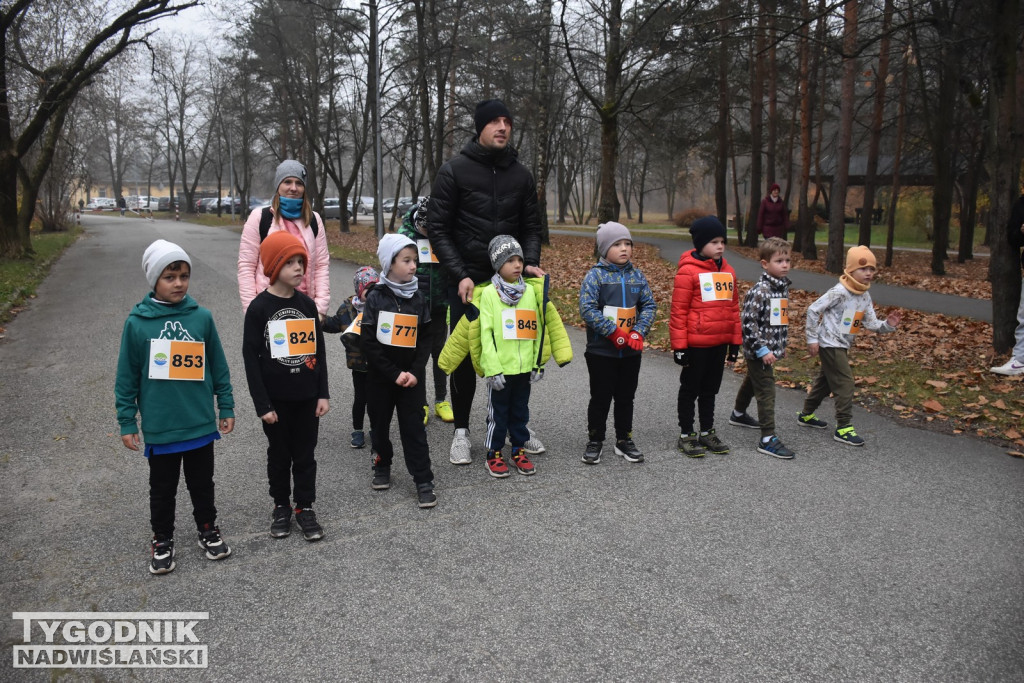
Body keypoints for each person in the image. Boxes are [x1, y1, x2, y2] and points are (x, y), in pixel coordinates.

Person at [427, 98, 546, 465]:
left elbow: (531, 227)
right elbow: (438, 228)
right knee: (464, 357)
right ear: (479, 127)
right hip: (468, 282)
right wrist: (459, 273)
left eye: (507, 121)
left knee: (514, 354)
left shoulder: (521, 176)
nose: (503, 127)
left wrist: (530, 263)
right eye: (494, 121)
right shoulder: (454, 171)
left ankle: (514, 429)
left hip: (511, 283)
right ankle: (461, 432)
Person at [115, 240, 235, 575]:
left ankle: (207, 528)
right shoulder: (137, 324)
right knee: (162, 489)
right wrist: (127, 421)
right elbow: (126, 378)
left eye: (184, 275)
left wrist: (225, 406)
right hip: (161, 427)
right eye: (170, 276)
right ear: (154, 280)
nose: (179, 283)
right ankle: (162, 538)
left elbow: (218, 366)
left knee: (202, 483)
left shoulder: (202, 318)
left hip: (198, 423)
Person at [242, 232, 330, 540]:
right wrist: (262, 404)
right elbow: (250, 358)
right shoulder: (259, 309)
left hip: (306, 398)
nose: (298, 268)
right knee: (279, 456)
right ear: (274, 265)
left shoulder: (307, 305)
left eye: (301, 262)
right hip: (276, 402)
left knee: (305, 455)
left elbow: (318, 352)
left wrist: (323, 393)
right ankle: (281, 505)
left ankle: (304, 507)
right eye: (290, 262)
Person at [360, 233, 437, 508]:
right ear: (389, 263)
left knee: (414, 428)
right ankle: (382, 465)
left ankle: (423, 479)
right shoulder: (376, 298)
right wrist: (392, 373)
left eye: (415, 260)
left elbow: (426, 337)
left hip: (412, 379)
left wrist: (415, 371)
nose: (414, 265)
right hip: (381, 378)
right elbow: (368, 340)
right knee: (379, 426)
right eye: (406, 260)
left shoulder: (418, 298)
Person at [800, 245, 901, 446]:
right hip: (829, 343)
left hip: (843, 345)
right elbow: (813, 310)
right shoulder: (839, 291)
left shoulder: (864, 296)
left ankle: (806, 415)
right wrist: (812, 339)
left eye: (872, 269)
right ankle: (843, 427)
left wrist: (888, 325)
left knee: (826, 382)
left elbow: (870, 323)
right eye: (863, 268)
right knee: (845, 382)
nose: (869, 273)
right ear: (850, 270)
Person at [578, 222, 657, 465]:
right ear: (604, 249)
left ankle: (624, 439)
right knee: (600, 397)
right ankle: (595, 440)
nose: (624, 249)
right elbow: (587, 309)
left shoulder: (637, 275)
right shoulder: (596, 276)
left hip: (631, 353)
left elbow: (649, 306)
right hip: (602, 351)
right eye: (617, 244)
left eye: (627, 244)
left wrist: (637, 332)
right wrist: (613, 332)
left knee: (626, 398)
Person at [669, 216, 742, 457]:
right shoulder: (688, 271)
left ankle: (707, 430)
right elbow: (678, 311)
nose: (720, 246)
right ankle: (687, 434)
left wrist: (735, 342)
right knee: (690, 388)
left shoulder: (729, 272)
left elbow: (733, 310)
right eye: (714, 241)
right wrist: (679, 347)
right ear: (700, 244)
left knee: (710, 389)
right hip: (696, 344)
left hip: (719, 343)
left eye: (722, 241)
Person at [728, 237, 796, 459]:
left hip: (770, 349)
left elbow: (778, 320)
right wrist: (762, 349)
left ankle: (738, 413)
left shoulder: (781, 289)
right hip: (758, 350)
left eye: (787, 260)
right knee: (766, 389)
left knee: (753, 381)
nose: (785, 265)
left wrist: (778, 346)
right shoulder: (761, 290)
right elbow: (748, 323)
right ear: (765, 264)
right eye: (779, 261)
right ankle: (767, 438)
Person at [238, 160, 331, 318]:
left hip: (305, 308)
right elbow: (246, 266)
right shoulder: (260, 218)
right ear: (278, 185)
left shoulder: (314, 220)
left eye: (299, 183)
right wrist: (251, 310)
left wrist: (320, 309)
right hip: (267, 309)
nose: (293, 188)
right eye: (287, 181)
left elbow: (321, 266)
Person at [397, 196, 454, 424]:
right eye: (426, 229)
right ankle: (420, 402)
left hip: (439, 305)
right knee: (416, 355)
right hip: (413, 307)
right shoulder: (404, 236)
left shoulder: (444, 233)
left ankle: (442, 399)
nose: (431, 234)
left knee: (440, 354)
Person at [322, 266, 379, 449]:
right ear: (359, 290)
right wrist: (318, 319)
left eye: (376, 290)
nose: (372, 295)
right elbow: (333, 324)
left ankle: (376, 428)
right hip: (358, 363)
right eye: (368, 290)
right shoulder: (347, 309)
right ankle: (357, 430)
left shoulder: (382, 306)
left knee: (376, 399)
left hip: (378, 363)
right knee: (360, 398)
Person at [990, 194, 1024, 376]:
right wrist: (1021, 232)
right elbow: (1013, 238)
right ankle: (1020, 360)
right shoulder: (1022, 203)